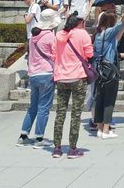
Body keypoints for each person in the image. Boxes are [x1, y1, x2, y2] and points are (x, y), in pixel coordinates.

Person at [51, 11, 93, 159]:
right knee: (76, 114)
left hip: (61, 77)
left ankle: (56, 148)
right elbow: (89, 54)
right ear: (79, 22)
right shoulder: (83, 34)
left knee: (60, 113)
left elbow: (54, 54)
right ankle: (72, 148)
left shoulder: (59, 35)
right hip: (78, 77)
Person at [18, 9, 58, 149]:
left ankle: (23, 135)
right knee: (44, 108)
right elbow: (55, 55)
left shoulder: (33, 36)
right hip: (46, 72)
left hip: (33, 74)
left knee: (33, 106)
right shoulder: (50, 36)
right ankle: (39, 137)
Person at [91, 10, 124, 138]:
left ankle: (100, 128)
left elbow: (121, 30)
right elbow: (119, 26)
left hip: (98, 69)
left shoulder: (97, 35)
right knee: (109, 100)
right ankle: (106, 130)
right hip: (109, 70)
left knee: (100, 99)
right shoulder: (107, 33)